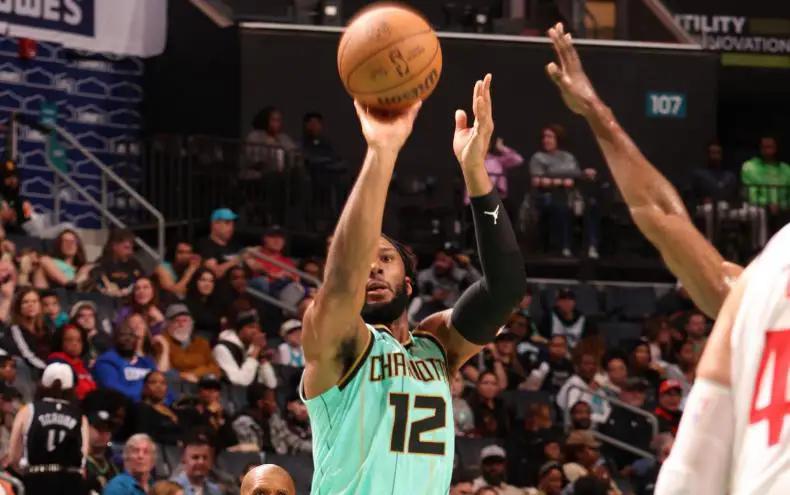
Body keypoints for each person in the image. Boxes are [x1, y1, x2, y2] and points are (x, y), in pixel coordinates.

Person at [301, 74, 525, 493]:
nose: (371, 268)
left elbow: (506, 288)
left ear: (407, 285)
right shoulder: (334, 339)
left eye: (385, 259)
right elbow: (341, 280)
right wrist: (381, 152)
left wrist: (475, 172)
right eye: (365, 260)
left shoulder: (437, 344)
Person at [545, 22, 743, 319]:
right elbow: (664, 217)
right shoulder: (768, 293)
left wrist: (597, 115)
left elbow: (662, 216)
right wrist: (597, 113)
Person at [7, 362, 89, 495]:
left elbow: (13, 457)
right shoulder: (80, 416)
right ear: (71, 388)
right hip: (71, 482)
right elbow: (83, 456)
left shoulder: (28, 411)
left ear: (42, 385)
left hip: (36, 481)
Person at [529, 124, 599, 258]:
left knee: (591, 206)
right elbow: (537, 181)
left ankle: (592, 246)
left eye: (550, 137)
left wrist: (585, 174)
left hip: (572, 194)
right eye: (544, 137)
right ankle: (565, 246)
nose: (546, 140)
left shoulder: (568, 157)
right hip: (549, 195)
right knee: (561, 206)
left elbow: (576, 174)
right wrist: (562, 182)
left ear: (558, 139)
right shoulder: (538, 158)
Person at [92, 324, 157, 401]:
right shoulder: (105, 362)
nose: (128, 339)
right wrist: (146, 391)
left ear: (136, 340)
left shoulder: (147, 362)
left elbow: (161, 387)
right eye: (123, 335)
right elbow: (115, 391)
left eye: (131, 335)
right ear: (114, 339)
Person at [213, 309, 276, 388]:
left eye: (258, 328)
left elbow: (271, 384)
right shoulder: (222, 348)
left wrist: (262, 358)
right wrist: (255, 351)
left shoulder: (252, 349)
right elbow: (240, 382)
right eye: (251, 327)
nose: (255, 331)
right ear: (240, 329)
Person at [740, 135, 790, 235]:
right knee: (759, 213)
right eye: (764, 147)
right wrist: (768, 205)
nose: (767, 150)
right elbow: (751, 195)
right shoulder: (750, 167)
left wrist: (781, 205)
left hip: (784, 211)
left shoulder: (786, 169)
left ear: (776, 148)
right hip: (760, 210)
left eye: (770, 147)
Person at [691, 141, 739, 244]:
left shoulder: (729, 176)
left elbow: (735, 194)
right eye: (712, 153)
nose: (715, 156)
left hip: (726, 206)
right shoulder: (699, 174)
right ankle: (711, 242)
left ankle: (755, 245)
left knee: (754, 212)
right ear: (707, 155)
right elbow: (692, 194)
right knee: (711, 210)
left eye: (718, 153)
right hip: (704, 207)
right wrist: (701, 200)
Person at [176, 374, 238, 451]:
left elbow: (233, 442)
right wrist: (208, 412)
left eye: (216, 389)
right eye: (207, 388)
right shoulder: (188, 412)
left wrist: (220, 421)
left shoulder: (223, 415)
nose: (212, 391)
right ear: (199, 391)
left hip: (221, 454)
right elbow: (194, 436)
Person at [162, 304, 221, 382]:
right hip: (176, 384)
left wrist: (194, 374)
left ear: (191, 323)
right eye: (177, 321)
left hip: (201, 382)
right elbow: (165, 371)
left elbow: (215, 368)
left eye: (185, 321)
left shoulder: (202, 342)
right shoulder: (162, 342)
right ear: (168, 324)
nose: (181, 325)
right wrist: (184, 376)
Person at [2, 287, 52, 374]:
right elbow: (27, 356)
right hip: (31, 373)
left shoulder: (46, 328)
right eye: (25, 302)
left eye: (34, 301)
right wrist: (48, 369)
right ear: (18, 307)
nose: (30, 305)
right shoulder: (14, 330)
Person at [556, 349, 610, 426]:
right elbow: (574, 414)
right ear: (577, 367)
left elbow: (606, 414)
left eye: (594, 364)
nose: (591, 367)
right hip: (577, 429)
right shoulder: (573, 384)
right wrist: (589, 391)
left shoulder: (599, 390)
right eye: (586, 364)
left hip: (599, 428)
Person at [48, 324, 97, 400]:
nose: (75, 343)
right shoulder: (57, 363)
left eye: (79, 340)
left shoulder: (84, 365)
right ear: (60, 342)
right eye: (69, 340)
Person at [92, 228, 143, 298]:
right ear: (114, 246)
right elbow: (96, 283)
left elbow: (141, 281)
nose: (130, 252)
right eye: (126, 248)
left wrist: (128, 290)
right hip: (106, 299)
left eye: (131, 248)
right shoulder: (101, 263)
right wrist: (107, 290)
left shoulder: (134, 263)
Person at [136, 371, 182, 446]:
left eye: (163, 383)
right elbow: (143, 437)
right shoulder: (141, 409)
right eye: (153, 382)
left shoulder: (173, 410)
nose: (158, 386)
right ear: (144, 387)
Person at [231, 383, 277, 452]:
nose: (275, 404)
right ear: (260, 403)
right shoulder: (242, 423)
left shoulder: (272, 419)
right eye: (272, 401)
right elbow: (252, 451)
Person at [197, 209, 242, 279]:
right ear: (215, 225)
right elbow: (216, 272)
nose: (231, 227)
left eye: (233, 224)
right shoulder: (205, 245)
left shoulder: (234, 243)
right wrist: (238, 260)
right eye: (227, 223)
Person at [85, 409, 120, 494]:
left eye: (108, 428)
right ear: (86, 429)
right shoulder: (78, 462)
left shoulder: (114, 466)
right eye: (99, 428)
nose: (104, 433)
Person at [468, 370, 510, 437]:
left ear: (497, 387)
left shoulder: (501, 405)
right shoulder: (471, 406)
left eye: (494, 384)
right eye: (485, 383)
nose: (490, 387)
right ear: (478, 385)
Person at [185, 268, 224, 340]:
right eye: (203, 280)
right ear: (195, 282)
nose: (207, 284)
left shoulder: (217, 301)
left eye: (211, 281)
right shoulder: (186, 303)